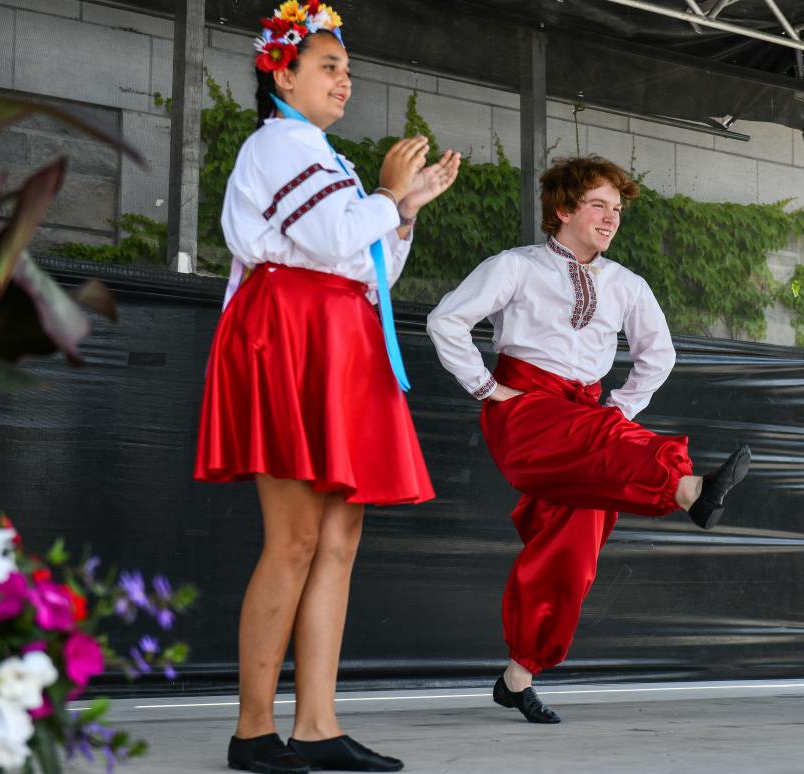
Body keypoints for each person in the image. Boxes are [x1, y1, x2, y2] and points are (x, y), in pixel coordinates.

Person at [194, 2, 461, 771]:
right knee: (297, 537)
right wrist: (388, 194)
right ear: (282, 72)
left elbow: (370, 269)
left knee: (340, 539)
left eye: (348, 67)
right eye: (329, 66)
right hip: (290, 334)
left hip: (343, 335)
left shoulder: (326, 159)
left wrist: (402, 212)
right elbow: (328, 238)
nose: (346, 80)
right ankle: (253, 731)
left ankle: (317, 724)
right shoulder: (278, 145)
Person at [425, 155, 751, 724]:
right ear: (563, 210)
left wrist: (619, 408)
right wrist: (485, 387)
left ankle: (518, 674)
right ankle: (688, 487)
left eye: (617, 209)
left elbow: (660, 354)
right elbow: (445, 321)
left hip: (588, 420)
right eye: (598, 204)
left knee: (570, 554)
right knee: (606, 444)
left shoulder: (627, 284)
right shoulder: (517, 267)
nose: (610, 218)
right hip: (526, 413)